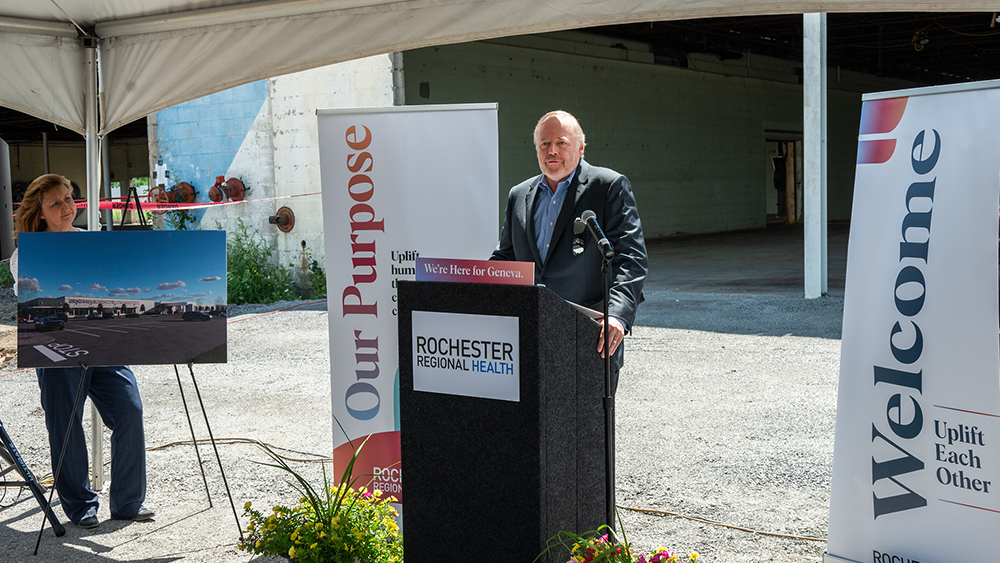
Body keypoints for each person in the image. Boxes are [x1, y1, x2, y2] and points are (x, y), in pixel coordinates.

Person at [12, 174, 153, 529]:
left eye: (68, 198)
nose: (66, 207)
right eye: (55, 203)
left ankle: (127, 503)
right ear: (40, 212)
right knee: (65, 425)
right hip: (54, 348)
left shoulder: (92, 241)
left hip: (102, 346)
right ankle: (80, 506)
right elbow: (32, 301)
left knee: (129, 410)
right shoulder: (25, 254)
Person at [490, 111, 647, 385]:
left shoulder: (608, 187)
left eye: (561, 142)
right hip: (531, 335)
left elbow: (630, 258)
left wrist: (618, 316)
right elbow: (506, 257)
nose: (552, 151)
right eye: (544, 144)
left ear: (580, 148)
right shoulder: (519, 195)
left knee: (588, 427)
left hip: (589, 336)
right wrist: (472, 284)